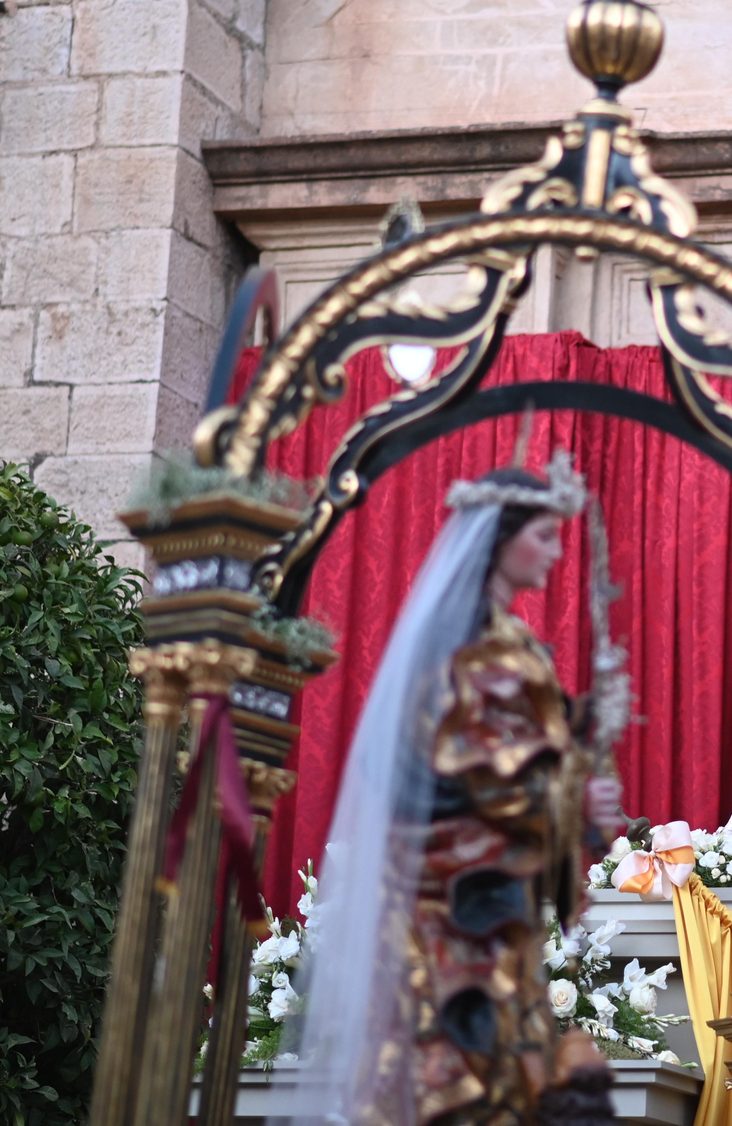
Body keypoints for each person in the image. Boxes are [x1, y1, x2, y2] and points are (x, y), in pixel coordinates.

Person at [284, 453, 627, 1126]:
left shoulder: (513, 643)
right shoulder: (470, 648)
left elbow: (523, 753)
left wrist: (580, 757)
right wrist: (570, 797)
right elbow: (466, 770)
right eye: (544, 535)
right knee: (457, 1068)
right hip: (455, 899)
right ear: (500, 539)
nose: (557, 552)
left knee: (503, 1066)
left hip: (497, 903)